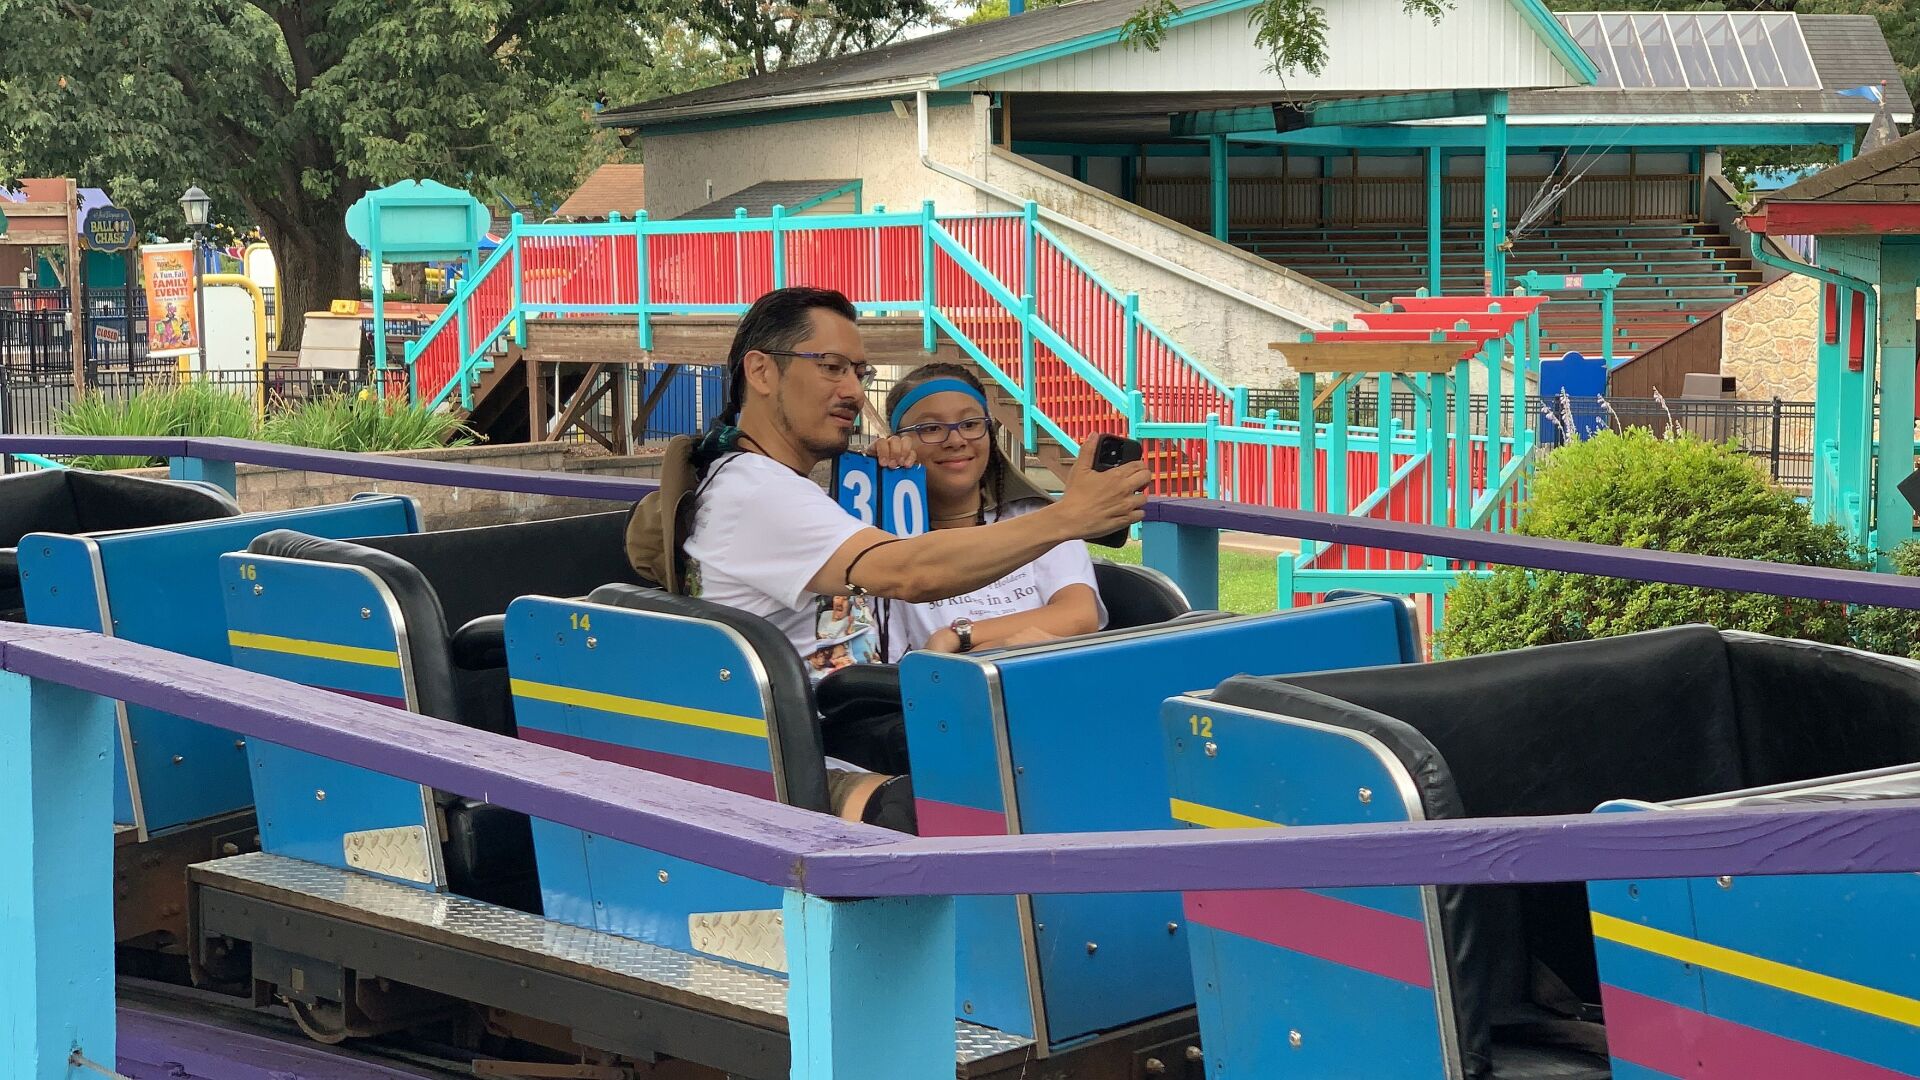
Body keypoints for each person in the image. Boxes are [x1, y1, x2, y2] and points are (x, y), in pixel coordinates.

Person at [625, 286, 1148, 825]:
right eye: (831, 367)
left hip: (858, 710)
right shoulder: (756, 491)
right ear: (761, 372)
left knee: (1066, 737)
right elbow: (908, 571)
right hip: (807, 740)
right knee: (1038, 767)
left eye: (858, 370)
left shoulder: (783, 486)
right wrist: (1067, 517)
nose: (853, 390)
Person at [878, 363, 1105, 659]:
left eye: (971, 424)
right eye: (930, 428)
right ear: (897, 441)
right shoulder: (882, 539)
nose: (956, 440)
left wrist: (959, 636)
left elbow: (1078, 613)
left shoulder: (1039, 519)